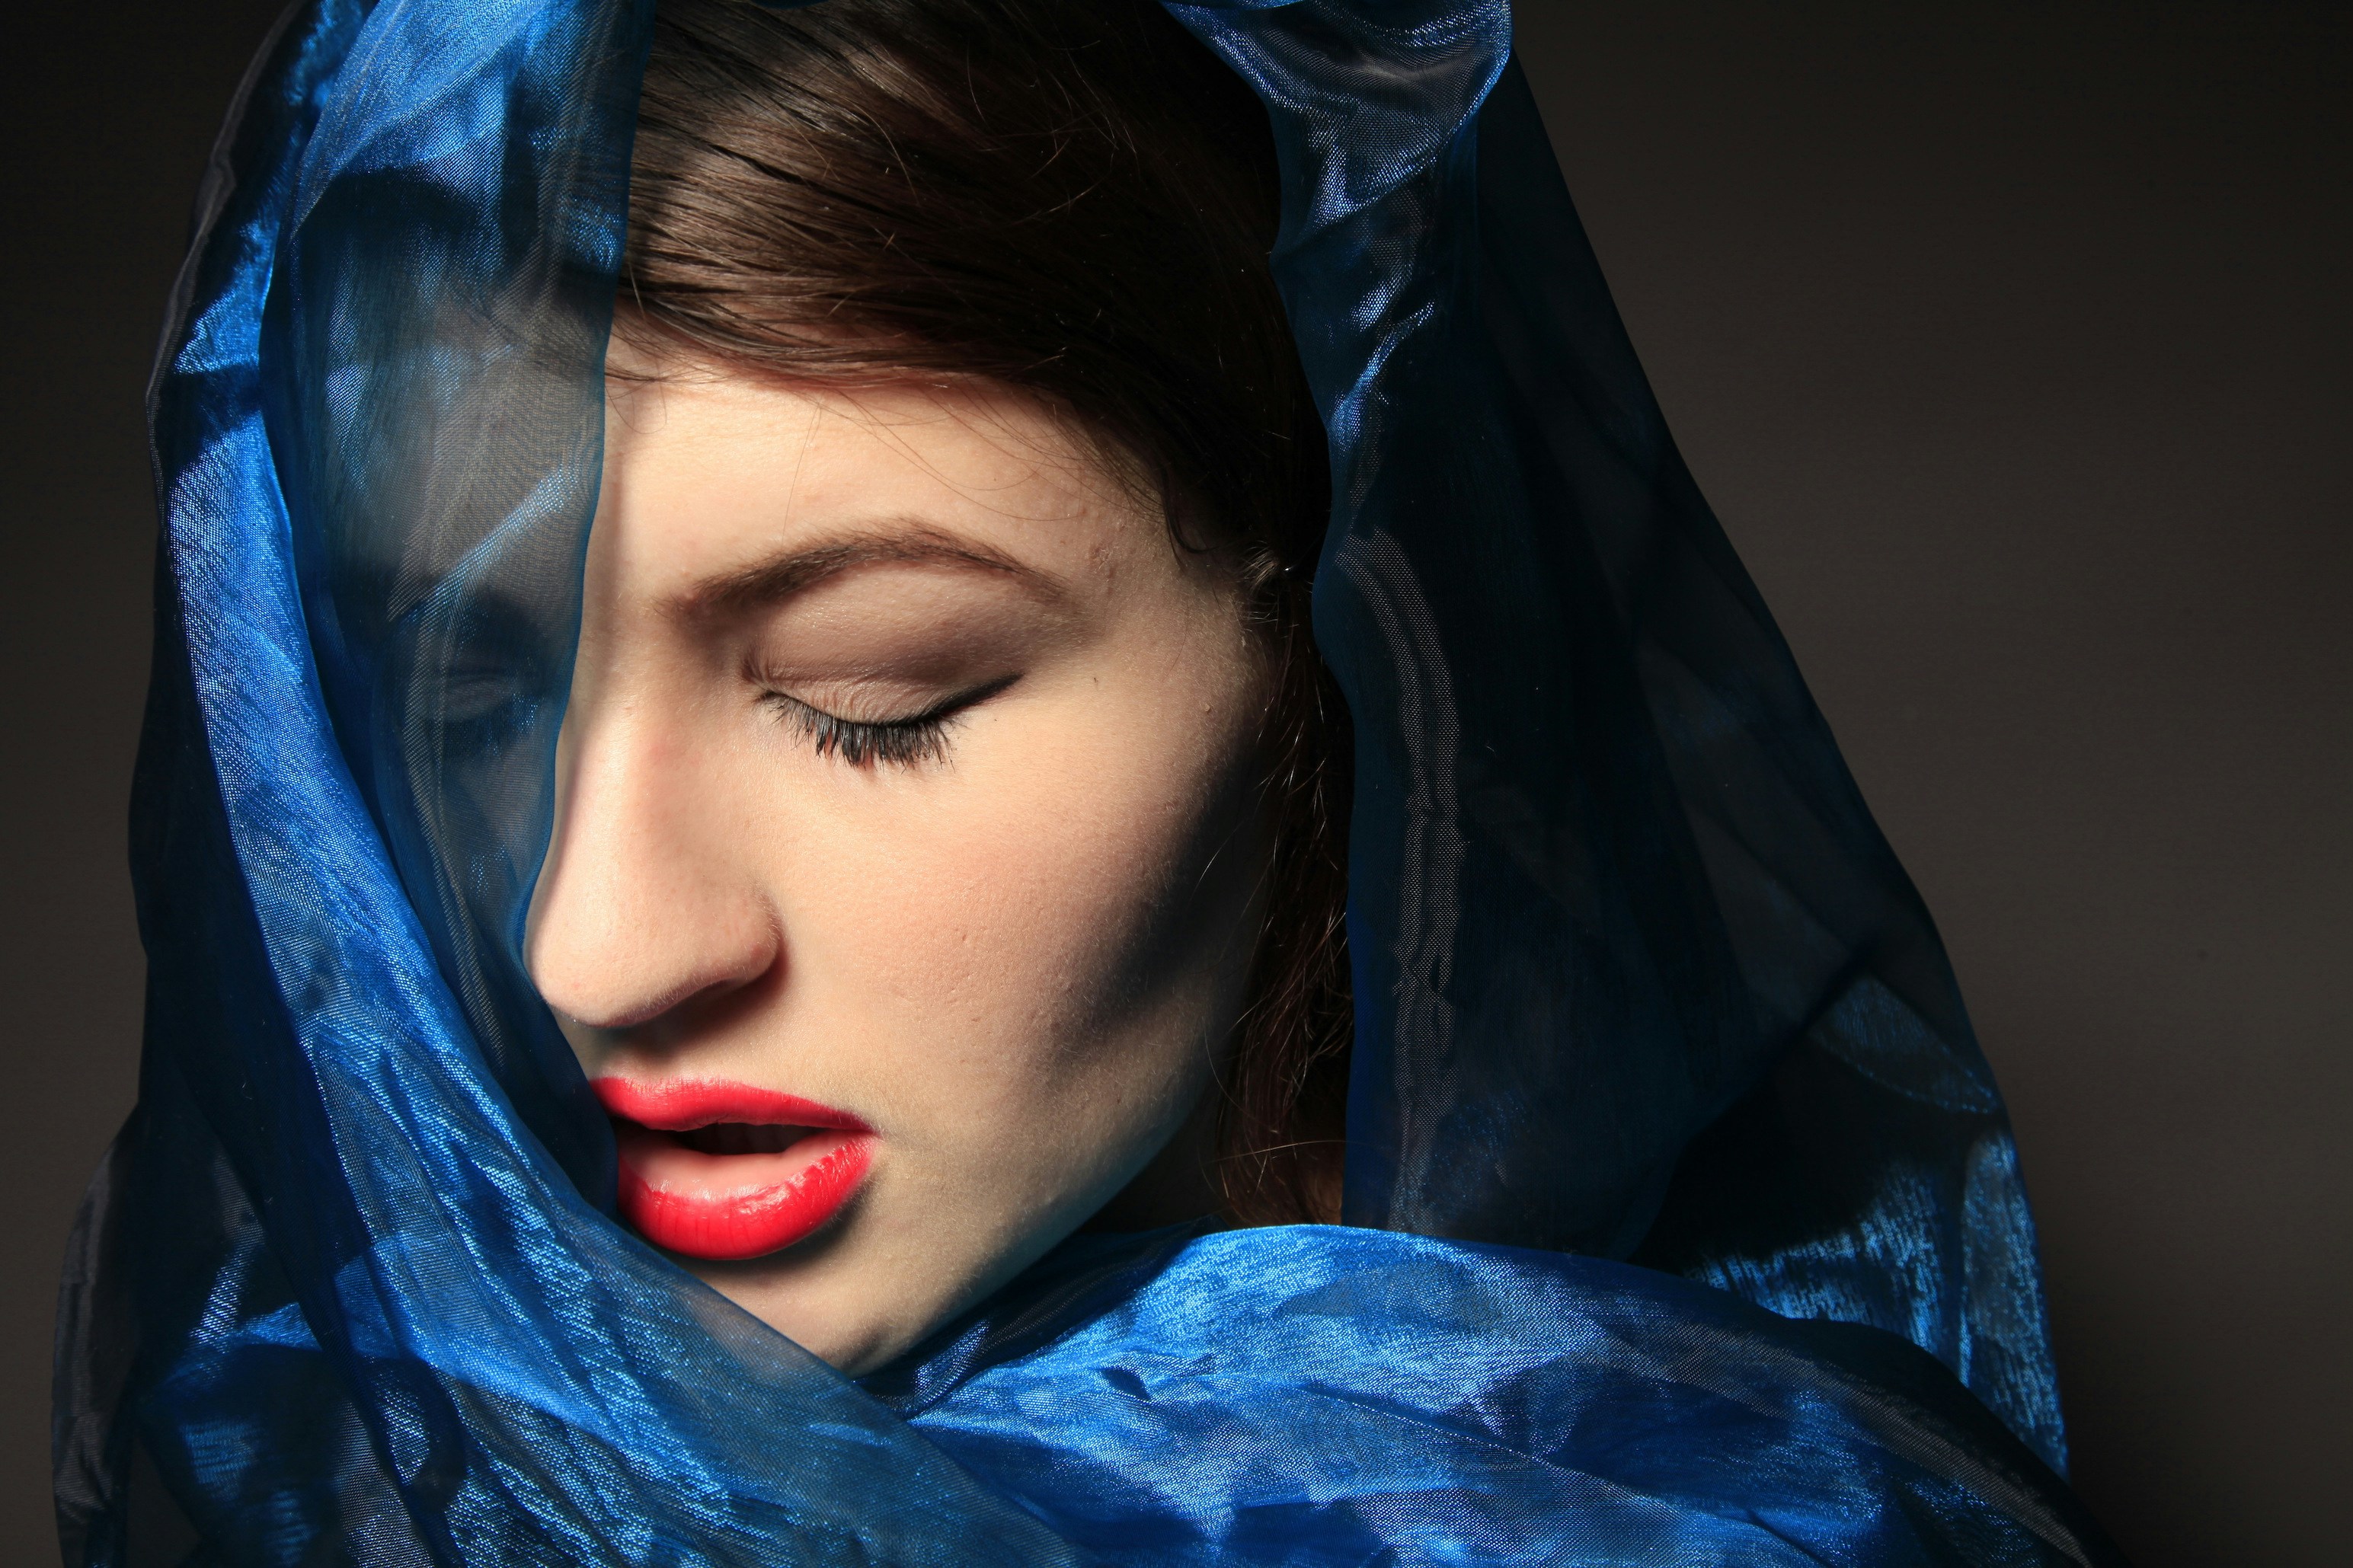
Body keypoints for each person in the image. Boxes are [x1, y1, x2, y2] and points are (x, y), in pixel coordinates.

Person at [53, 0, 2127, 1562]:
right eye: (476, 699)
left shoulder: (1679, 1519)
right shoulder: (322, 1437)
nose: (597, 940)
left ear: (1326, 663)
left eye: (879, 694)